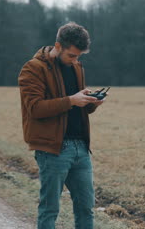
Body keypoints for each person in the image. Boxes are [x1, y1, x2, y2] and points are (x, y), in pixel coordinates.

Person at [18, 22, 106, 229]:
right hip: (52, 149)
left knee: (86, 208)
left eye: (79, 56)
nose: (75, 60)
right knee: (50, 209)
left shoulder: (76, 67)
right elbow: (35, 108)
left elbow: (77, 107)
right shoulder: (32, 68)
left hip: (81, 148)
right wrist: (71, 100)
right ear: (58, 46)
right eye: (72, 55)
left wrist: (91, 103)